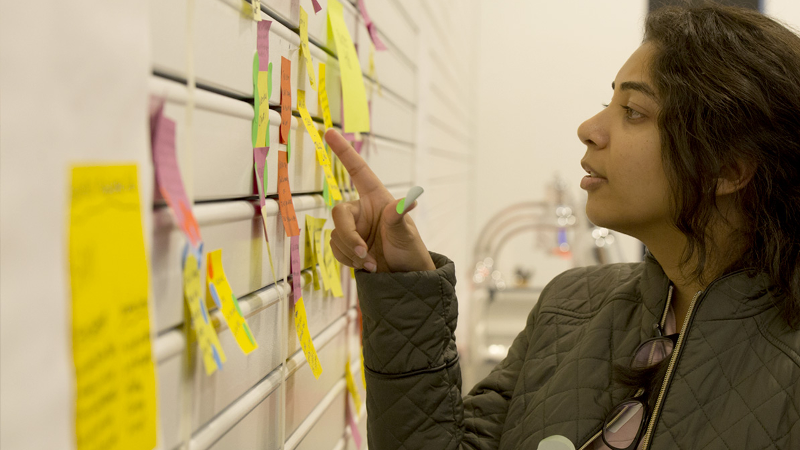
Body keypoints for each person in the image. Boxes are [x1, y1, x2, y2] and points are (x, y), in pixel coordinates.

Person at [322, 2, 800, 449]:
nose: (589, 127)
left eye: (633, 112)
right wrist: (405, 285)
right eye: (609, 101)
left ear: (730, 169)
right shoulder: (572, 305)